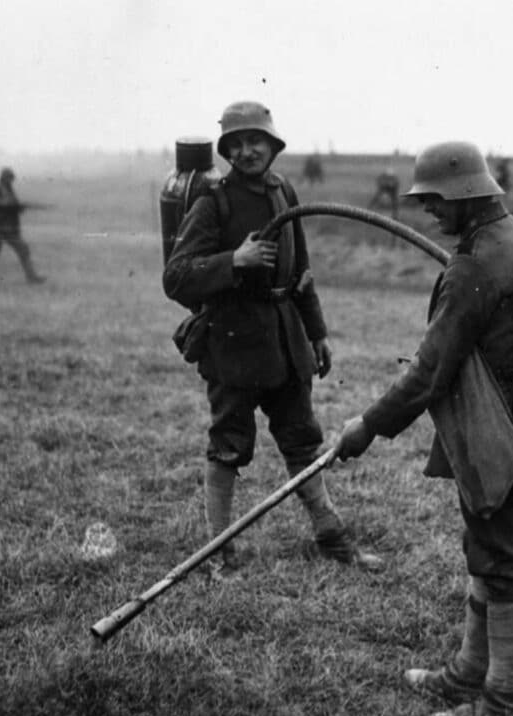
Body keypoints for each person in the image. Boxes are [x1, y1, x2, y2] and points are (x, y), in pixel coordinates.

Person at [334, 140, 513, 716]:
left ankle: (501, 699)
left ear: (466, 194)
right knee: (487, 545)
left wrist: (366, 426)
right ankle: (468, 672)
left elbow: (429, 373)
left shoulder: (473, 264)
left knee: (502, 556)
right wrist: (506, 345)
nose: (428, 213)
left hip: (499, 425)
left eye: (436, 200)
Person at [163, 100, 383, 573]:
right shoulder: (212, 202)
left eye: (255, 141)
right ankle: (219, 553)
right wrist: (232, 262)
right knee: (229, 445)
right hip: (232, 345)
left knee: (303, 441)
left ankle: (331, 536)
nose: (246, 152)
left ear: (273, 145)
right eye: (236, 144)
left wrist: (317, 332)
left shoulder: (285, 191)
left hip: (286, 343)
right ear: (225, 151)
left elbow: (301, 270)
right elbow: (175, 276)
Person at [0, 168, 46, 285]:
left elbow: (12, 207)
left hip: (10, 229)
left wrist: (18, 208)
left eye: (11, 179)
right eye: (9, 178)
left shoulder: (9, 191)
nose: (11, 181)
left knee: (23, 250)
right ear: (3, 178)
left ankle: (32, 278)